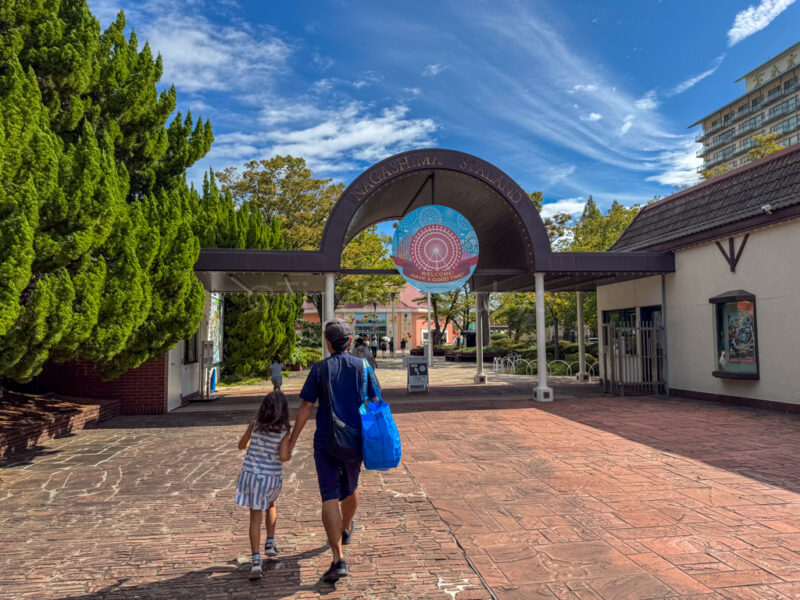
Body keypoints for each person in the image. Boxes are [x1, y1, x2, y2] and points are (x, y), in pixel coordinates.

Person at [289, 319, 381, 583]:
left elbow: (306, 406)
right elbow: (375, 399)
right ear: (350, 342)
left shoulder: (320, 369)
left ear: (327, 343)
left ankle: (338, 559)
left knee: (329, 495)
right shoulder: (363, 366)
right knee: (352, 487)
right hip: (356, 440)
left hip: (326, 440)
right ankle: (345, 527)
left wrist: (293, 439)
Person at [235, 392, 292, 579]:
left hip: (251, 476)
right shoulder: (283, 430)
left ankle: (256, 560)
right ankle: (270, 541)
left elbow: (241, 445)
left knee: (254, 518)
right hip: (270, 477)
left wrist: (254, 440)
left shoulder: (256, 425)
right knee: (271, 504)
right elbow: (283, 457)